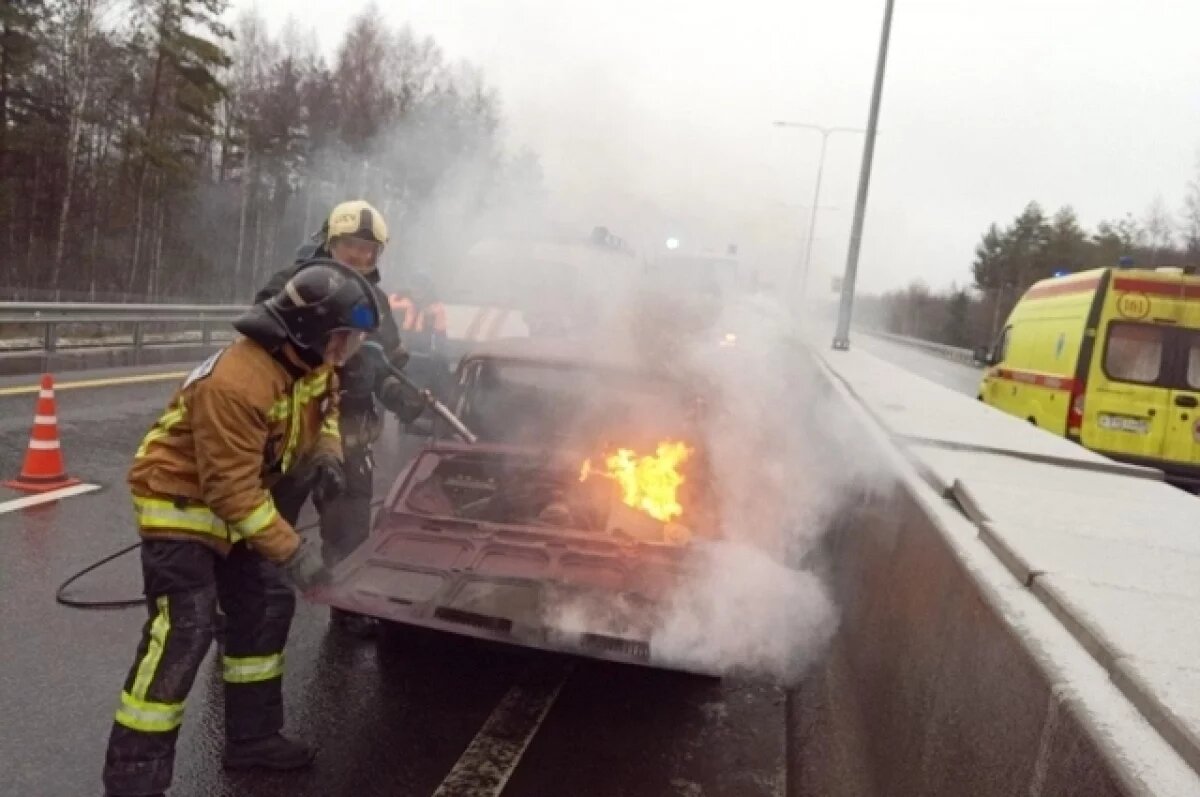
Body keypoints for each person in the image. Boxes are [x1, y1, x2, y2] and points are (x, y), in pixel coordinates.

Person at [101, 260, 381, 797]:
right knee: (186, 628)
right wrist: (296, 554)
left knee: (266, 605)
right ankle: (134, 776)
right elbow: (230, 493)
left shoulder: (310, 361)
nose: (350, 350)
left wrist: (326, 455)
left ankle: (252, 739)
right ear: (312, 331)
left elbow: (324, 410)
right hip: (181, 505)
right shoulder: (236, 383)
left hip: (241, 505)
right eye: (346, 337)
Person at [256, 200, 424, 637]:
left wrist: (393, 392)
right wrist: (330, 358)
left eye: (369, 250)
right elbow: (261, 347)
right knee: (269, 528)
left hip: (350, 436)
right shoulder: (291, 285)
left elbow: (387, 364)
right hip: (293, 432)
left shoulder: (378, 304)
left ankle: (348, 610)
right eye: (351, 245)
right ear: (330, 243)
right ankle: (247, 609)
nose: (360, 256)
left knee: (349, 532)